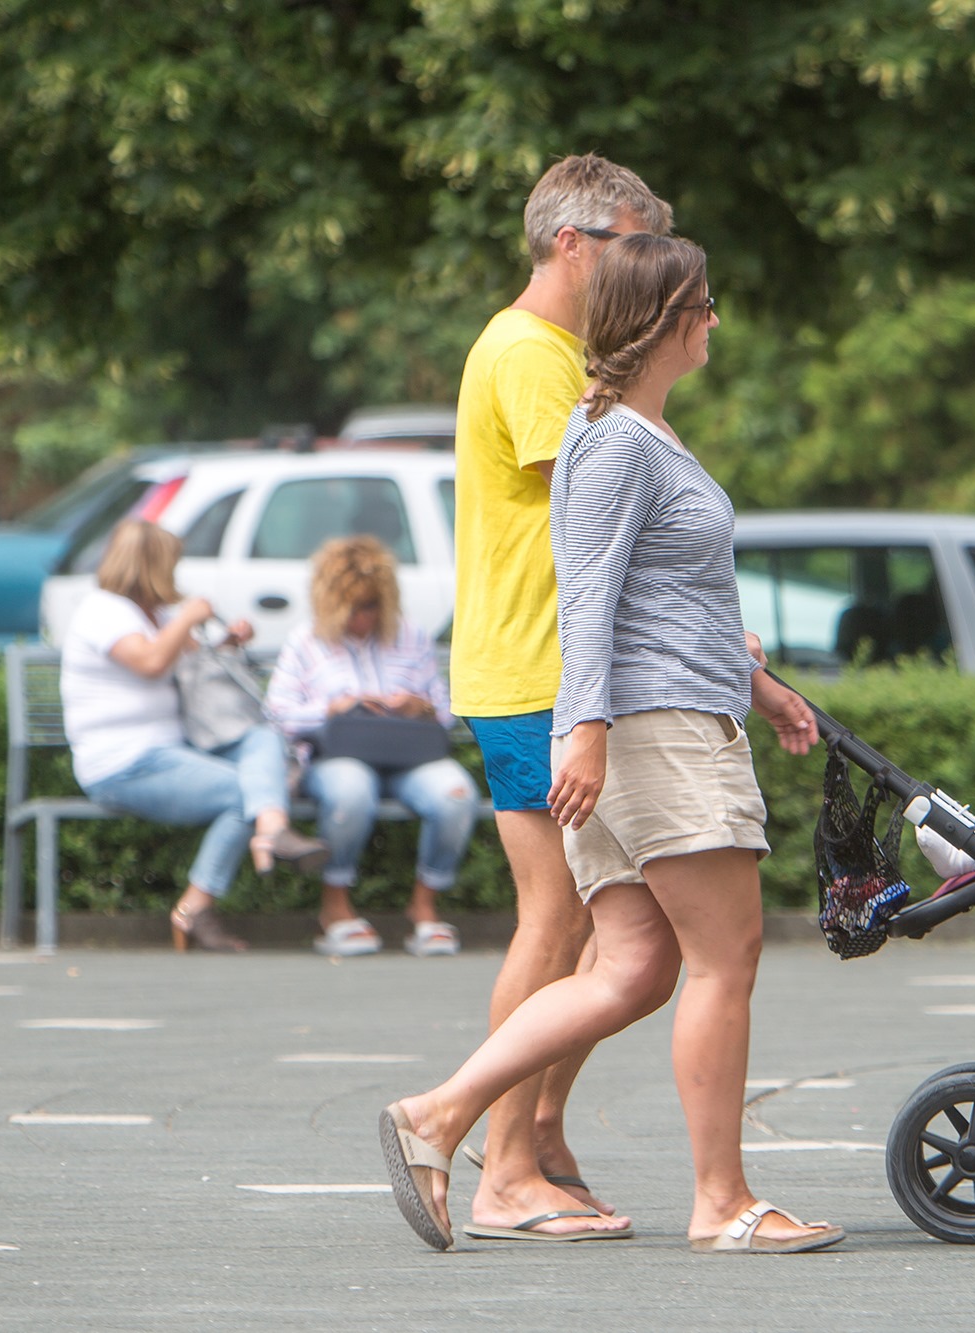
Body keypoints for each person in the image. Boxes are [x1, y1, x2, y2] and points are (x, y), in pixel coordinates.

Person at [379, 233, 840, 1254]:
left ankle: (438, 1115)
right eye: (703, 303)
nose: (715, 319)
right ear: (666, 320)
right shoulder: (617, 441)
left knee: (632, 967)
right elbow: (585, 598)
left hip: (651, 722)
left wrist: (760, 689)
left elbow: (664, 599)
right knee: (724, 959)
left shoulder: (634, 432)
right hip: (654, 734)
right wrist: (583, 730)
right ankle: (722, 1202)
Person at [445, 155, 672, 1228]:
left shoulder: (546, 350)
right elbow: (592, 513)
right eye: (632, 243)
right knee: (558, 918)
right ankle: (500, 1166)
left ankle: (533, 1135)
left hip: (542, 667)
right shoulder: (535, 356)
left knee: (594, 927)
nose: (646, 266)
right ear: (571, 244)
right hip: (539, 670)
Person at [59, 519, 326, 953]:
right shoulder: (102, 610)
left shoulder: (156, 615)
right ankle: (195, 907)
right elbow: (149, 662)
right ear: (150, 566)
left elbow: (197, 671)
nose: (175, 575)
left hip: (175, 750)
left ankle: (271, 828)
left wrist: (228, 642)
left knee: (261, 739)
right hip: (124, 763)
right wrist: (186, 617)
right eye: (171, 565)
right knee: (245, 792)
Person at [265, 536, 479, 958]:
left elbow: (444, 712)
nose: (365, 617)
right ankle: (334, 907)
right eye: (355, 607)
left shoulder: (410, 635)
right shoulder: (306, 641)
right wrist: (334, 709)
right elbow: (277, 713)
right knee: (351, 790)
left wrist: (417, 706)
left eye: (373, 606)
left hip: (406, 755)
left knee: (456, 794)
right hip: (337, 756)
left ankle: (424, 905)